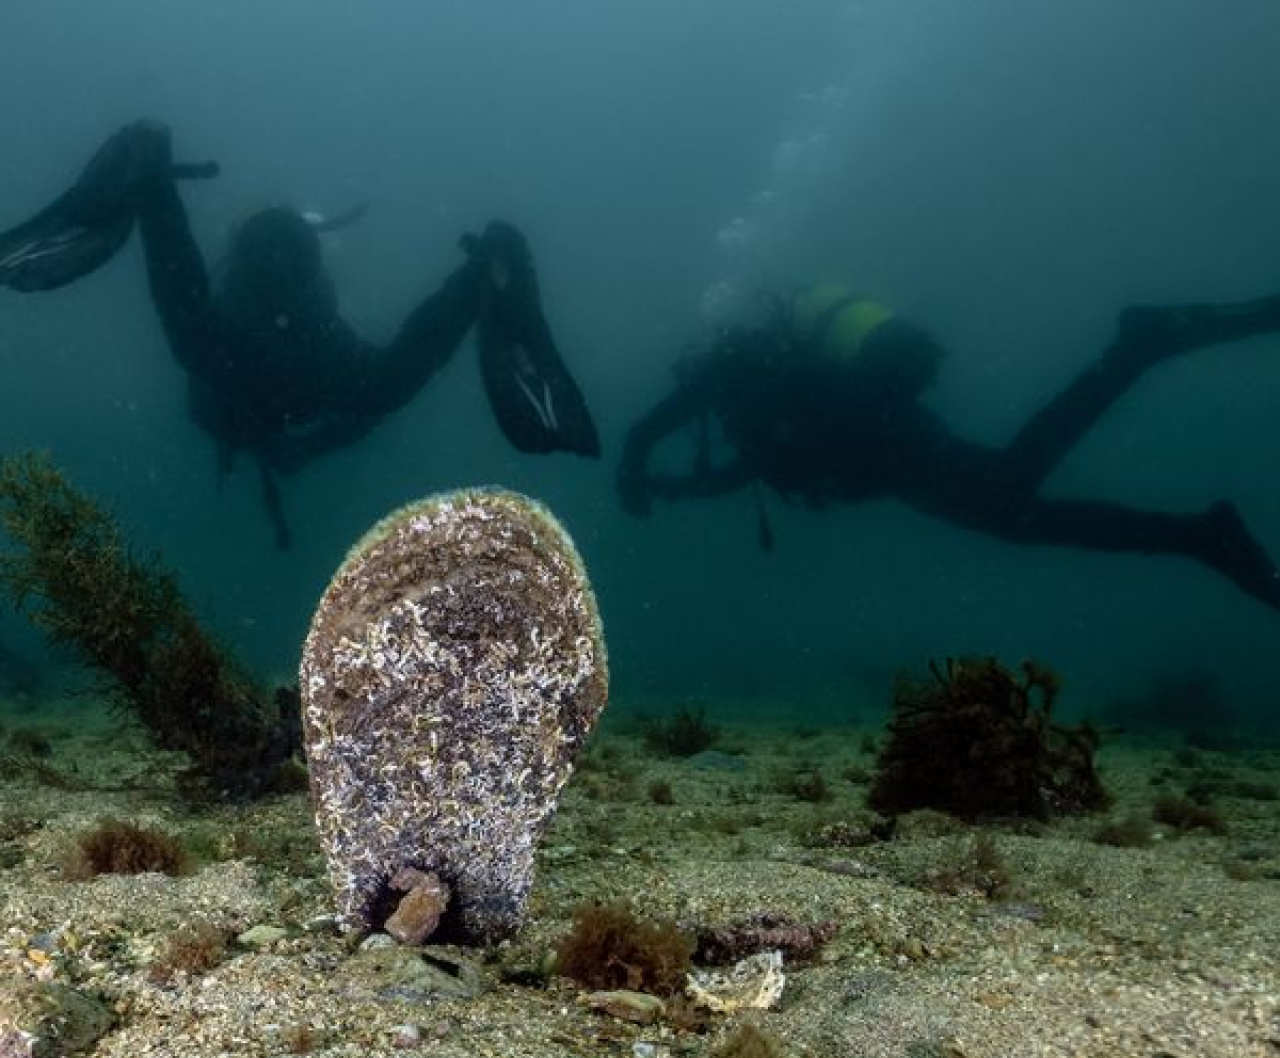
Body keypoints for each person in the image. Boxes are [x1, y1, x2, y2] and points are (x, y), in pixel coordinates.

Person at [0, 121, 598, 547]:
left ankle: (152, 180)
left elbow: (205, 384)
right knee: (376, 384)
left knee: (206, 347)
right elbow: (377, 394)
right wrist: (304, 448)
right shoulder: (314, 359)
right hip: (306, 348)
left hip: (252, 345)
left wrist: (284, 445)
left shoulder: (225, 377)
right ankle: (481, 275)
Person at [617, 281, 1280, 612]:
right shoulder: (758, 408)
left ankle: (1136, 351)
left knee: (1013, 494)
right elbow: (745, 472)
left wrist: (632, 461)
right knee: (1016, 514)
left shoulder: (735, 369)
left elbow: (657, 421)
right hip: (893, 455)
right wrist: (669, 487)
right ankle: (1199, 536)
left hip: (889, 445)